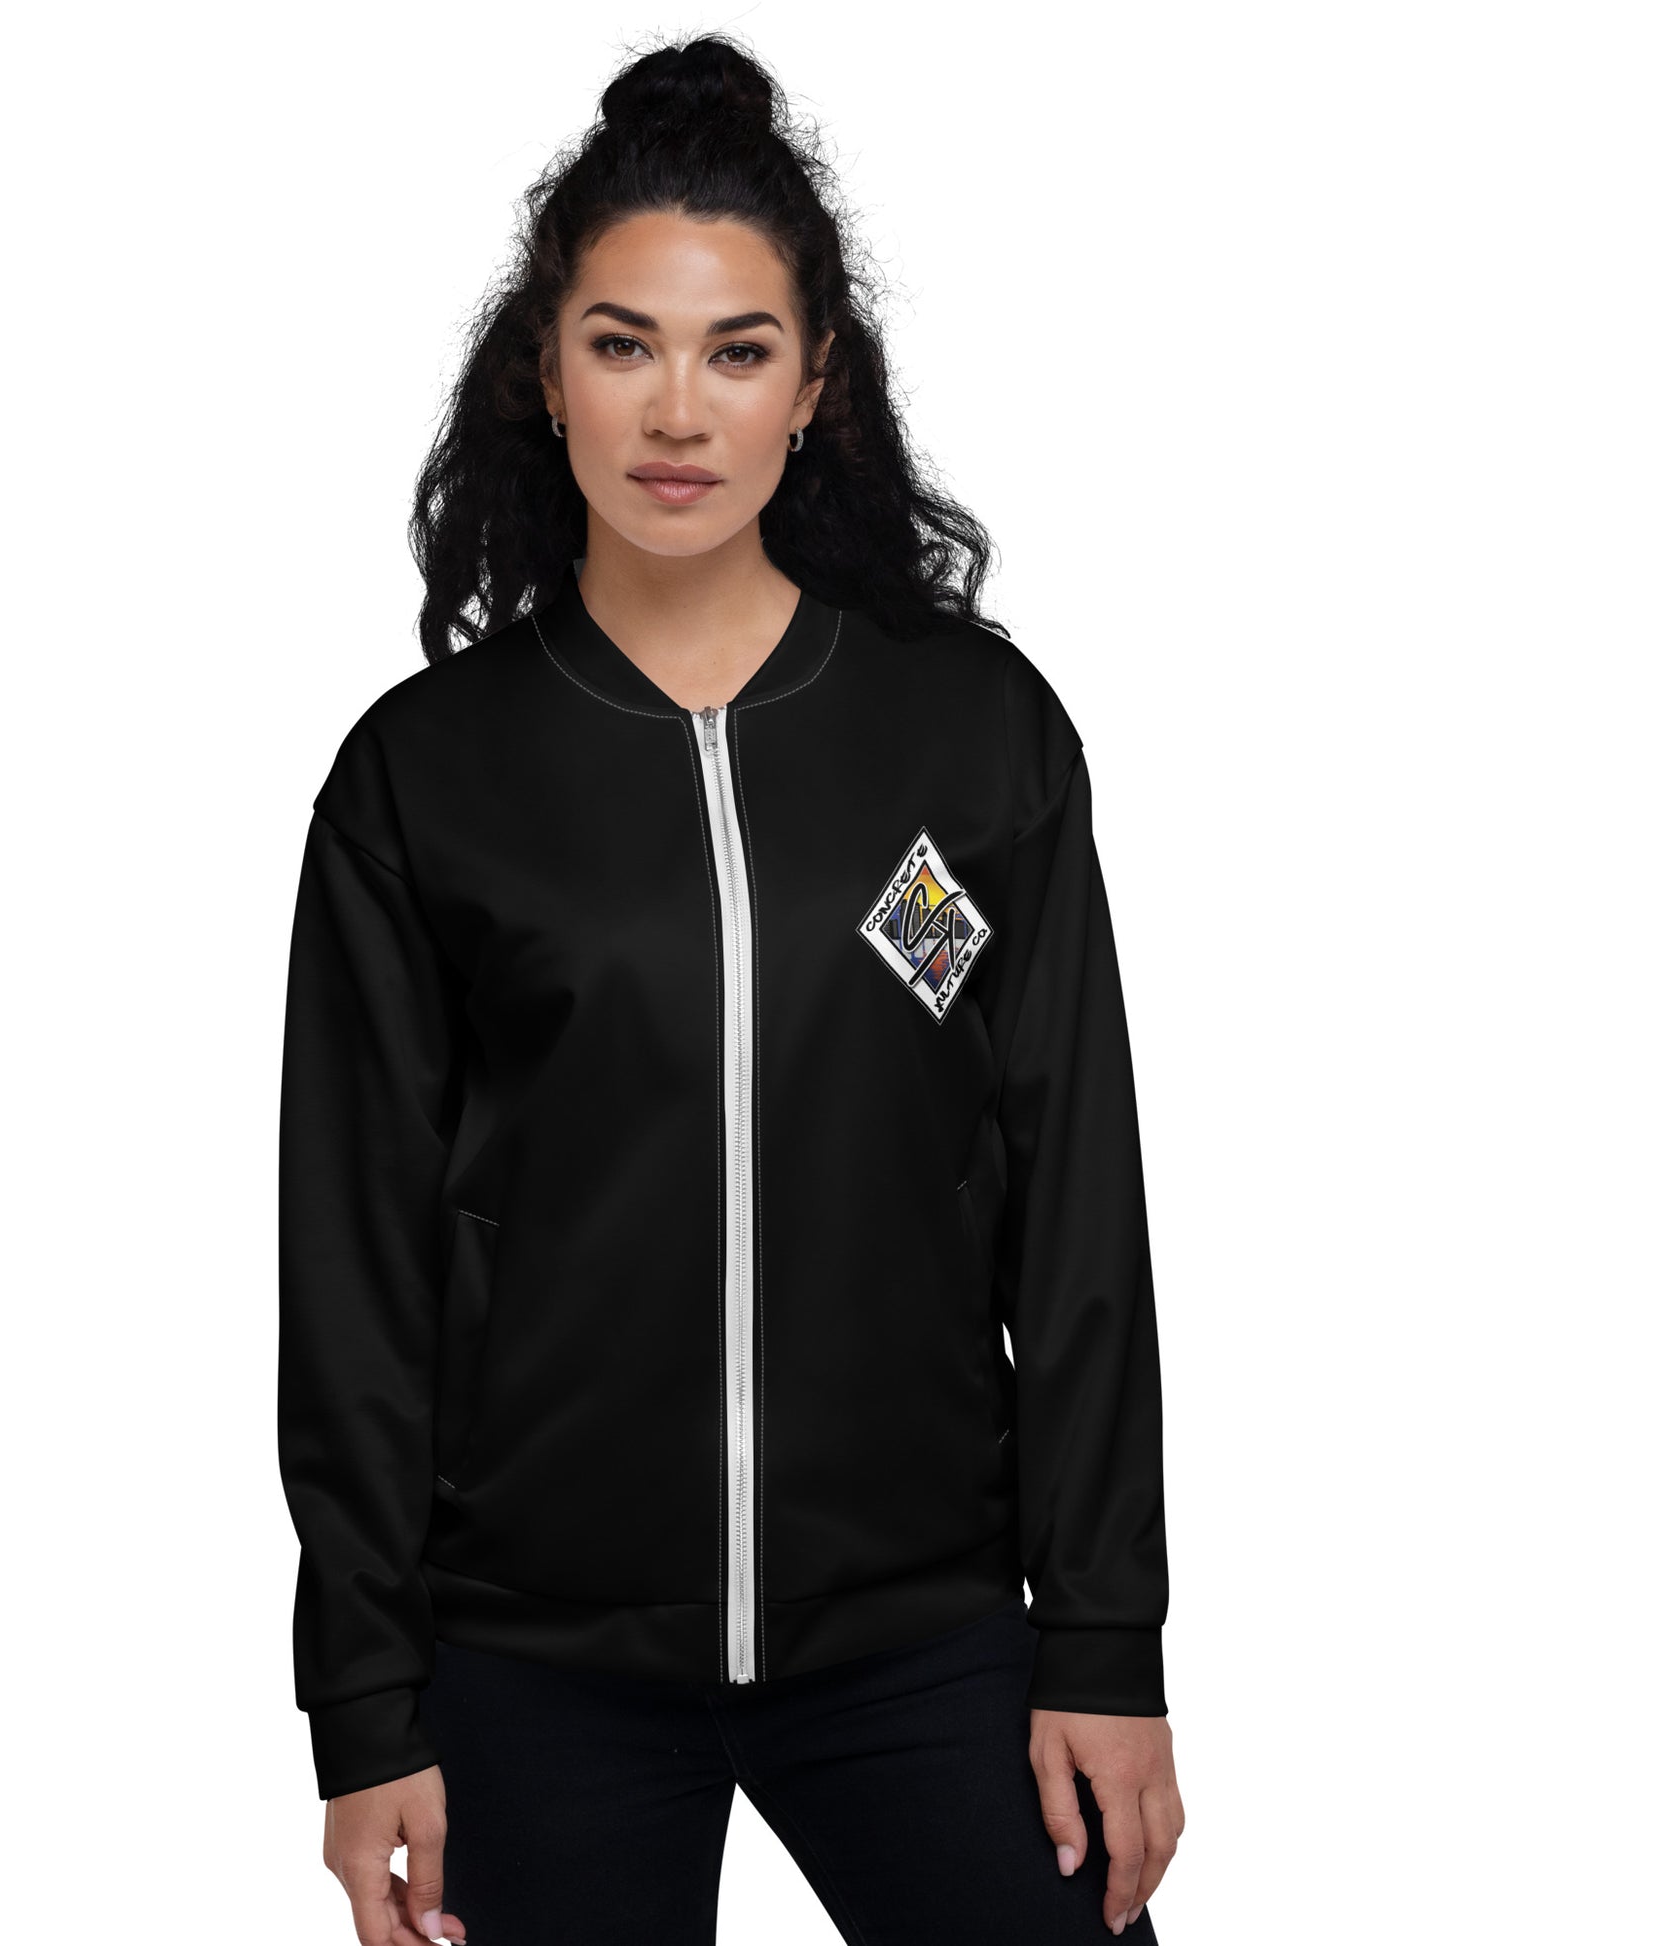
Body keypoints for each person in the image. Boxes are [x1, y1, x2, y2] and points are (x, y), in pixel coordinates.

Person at [277, 32, 1184, 1945]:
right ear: (545, 373)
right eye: (622, 344)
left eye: (736, 349)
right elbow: (352, 1275)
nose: (675, 409)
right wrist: (362, 1703)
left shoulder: (969, 737)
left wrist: (1104, 1637)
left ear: (814, 382)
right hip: (535, 1661)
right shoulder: (423, 779)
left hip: (926, 1632)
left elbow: (1075, 1214)